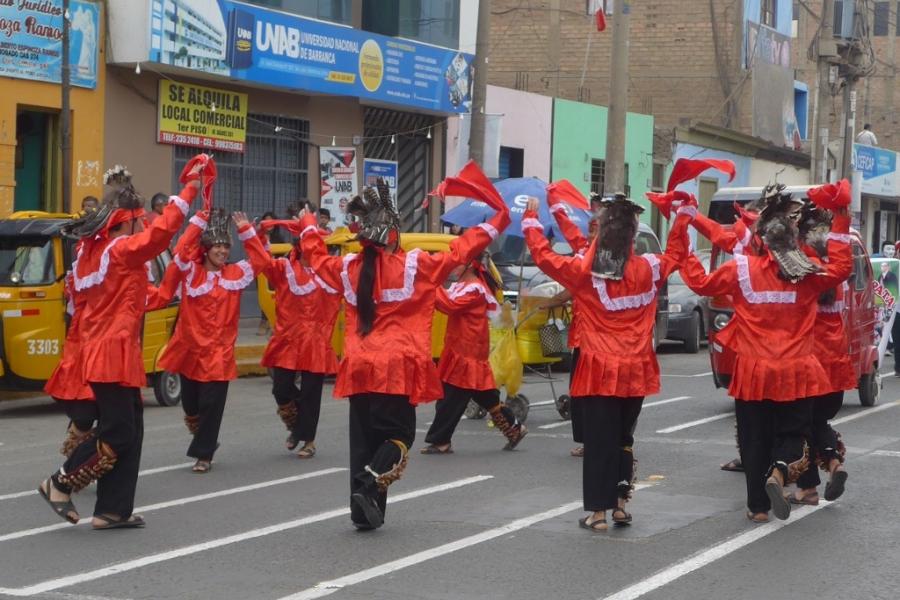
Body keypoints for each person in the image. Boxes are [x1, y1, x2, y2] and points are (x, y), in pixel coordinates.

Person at [299, 165, 510, 530]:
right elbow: (460, 251)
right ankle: (368, 486)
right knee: (398, 436)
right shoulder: (415, 265)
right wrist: (496, 221)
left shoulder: (347, 267)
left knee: (363, 440)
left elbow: (316, 260)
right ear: (394, 234)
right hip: (396, 364)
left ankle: (365, 511)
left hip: (360, 364)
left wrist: (306, 227)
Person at [37, 159, 204, 529]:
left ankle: (113, 509)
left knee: (132, 427)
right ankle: (60, 482)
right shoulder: (119, 251)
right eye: (138, 219)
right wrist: (189, 189)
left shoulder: (92, 254)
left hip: (111, 349)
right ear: (124, 221)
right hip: (111, 350)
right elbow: (159, 236)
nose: (141, 224)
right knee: (119, 430)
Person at [676, 184, 852, 523]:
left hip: (753, 370)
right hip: (796, 369)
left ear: (763, 238)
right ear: (791, 238)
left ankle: (757, 507)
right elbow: (842, 268)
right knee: (794, 433)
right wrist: (841, 219)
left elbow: (699, 282)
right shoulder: (808, 274)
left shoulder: (740, 269)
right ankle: (780, 472)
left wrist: (681, 234)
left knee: (754, 437)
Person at [523, 193, 693, 532]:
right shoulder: (650, 267)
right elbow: (678, 254)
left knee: (600, 440)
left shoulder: (585, 272)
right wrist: (683, 215)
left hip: (600, 366)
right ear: (632, 236)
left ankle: (598, 513)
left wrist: (531, 221)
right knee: (623, 438)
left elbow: (544, 258)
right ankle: (619, 505)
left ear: (603, 235)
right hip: (635, 367)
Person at [149, 209, 260, 473]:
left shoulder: (236, 274)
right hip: (190, 350)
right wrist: (197, 221)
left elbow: (262, 261)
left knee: (212, 404)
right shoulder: (190, 273)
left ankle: (204, 454)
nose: (222, 251)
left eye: (225, 246)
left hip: (218, 352)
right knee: (191, 405)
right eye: (217, 246)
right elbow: (181, 251)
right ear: (206, 249)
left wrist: (247, 231)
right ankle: (205, 438)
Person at [245, 217, 342, 458]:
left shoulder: (332, 273)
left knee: (311, 393)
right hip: (288, 340)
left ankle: (308, 439)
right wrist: (253, 234)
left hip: (317, 343)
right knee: (281, 388)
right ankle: (298, 426)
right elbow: (261, 262)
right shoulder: (285, 269)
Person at [421, 254, 526, 454]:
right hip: (458, 346)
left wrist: (429, 284)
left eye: (457, 263)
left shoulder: (475, 289)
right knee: (483, 394)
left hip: (468, 349)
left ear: (470, 265)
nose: (452, 266)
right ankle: (514, 428)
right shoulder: (461, 286)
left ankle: (441, 440)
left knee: (451, 396)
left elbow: (449, 305)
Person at [789, 201, 853, 506]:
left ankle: (807, 488)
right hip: (836, 368)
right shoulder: (836, 283)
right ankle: (834, 464)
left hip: (809, 366)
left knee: (802, 427)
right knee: (818, 424)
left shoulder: (807, 280)